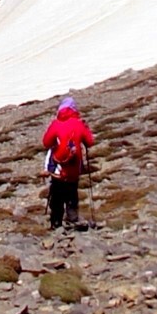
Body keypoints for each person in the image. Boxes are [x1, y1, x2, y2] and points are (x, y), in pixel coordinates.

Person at [41, 97, 96, 231]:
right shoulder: (79, 123)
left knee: (57, 193)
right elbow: (89, 142)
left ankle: (56, 222)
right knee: (72, 191)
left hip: (59, 168)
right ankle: (72, 217)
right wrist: (86, 128)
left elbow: (46, 143)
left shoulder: (56, 124)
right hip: (74, 168)